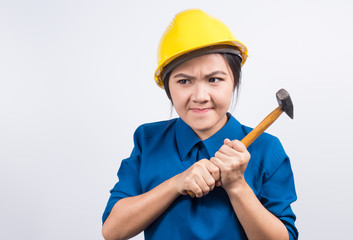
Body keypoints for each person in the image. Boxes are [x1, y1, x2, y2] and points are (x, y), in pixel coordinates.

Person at [102, 9, 298, 240]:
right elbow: (112, 231)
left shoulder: (267, 149)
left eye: (214, 79)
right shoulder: (148, 140)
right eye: (184, 81)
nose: (200, 96)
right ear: (167, 88)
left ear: (234, 81)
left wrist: (236, 186)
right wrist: (176, 183)